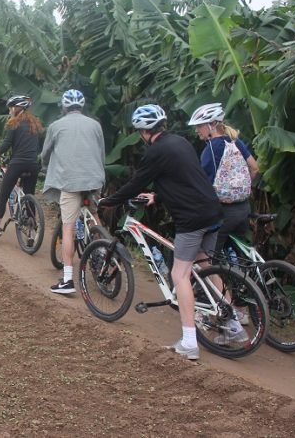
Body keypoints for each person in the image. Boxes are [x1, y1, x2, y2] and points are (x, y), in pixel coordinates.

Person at [97, 104, 234, 361]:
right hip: (212, 212)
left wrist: (110, 201)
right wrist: (157, 197)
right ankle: (234, 325)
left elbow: (136, 182)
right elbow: (186, 180)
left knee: (179, 274)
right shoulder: (181, 142)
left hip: (191, 219)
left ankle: (190, 342)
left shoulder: (155, 152)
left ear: (144, 132)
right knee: (205, 264)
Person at [40, 89, 106, 294]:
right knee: (94, 215)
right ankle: (104, 251)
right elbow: (101, 153)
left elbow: (46, 153)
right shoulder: (95, 125)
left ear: (64, 106)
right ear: (82, 106)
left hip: (70, 183)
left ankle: (68, 280)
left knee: (68, 226)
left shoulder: (56, 126)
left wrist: (44, 163)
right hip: (94, 180)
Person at [188, 102, 259, 257]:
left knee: (206, 258)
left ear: (212, 124)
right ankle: (244, 280)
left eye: (199, 126)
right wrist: (243, 187)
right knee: (238, 256)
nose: (196, 130)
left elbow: (203, 184)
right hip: (244, 208)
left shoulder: (211, 149)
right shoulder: (235, 141)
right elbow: (254, 168)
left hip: (224, 213)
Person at [0, 95, 43, 243]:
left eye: (11, 107)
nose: (10, 110)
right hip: (33, 165)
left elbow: (7, 144)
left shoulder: (14, 124)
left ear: (18, 109)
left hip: (17, 164)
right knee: (29, 196)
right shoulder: (35, 124)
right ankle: (30, 233)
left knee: (4, 193)